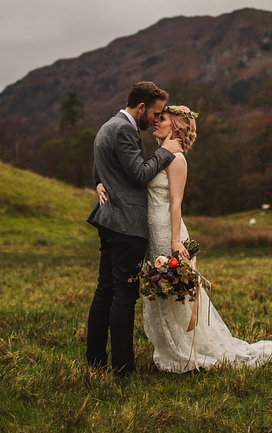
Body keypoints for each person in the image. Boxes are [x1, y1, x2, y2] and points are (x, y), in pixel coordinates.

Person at [98, 104, 272, 372]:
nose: (156, 122)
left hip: (169, 232)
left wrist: (177, 242)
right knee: (163, 293)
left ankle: (188, 349)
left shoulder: (177, 159)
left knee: (178, 294)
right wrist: (101, 183)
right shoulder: (161, 154)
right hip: (152, 230)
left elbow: (176, 204)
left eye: (163, 119)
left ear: (176, 127)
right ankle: (170, 349)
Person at [85, 81, 182, 378]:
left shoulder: (107, 126)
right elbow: (140, 175)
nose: (155, 120)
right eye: (154, 114)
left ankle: (96, 359)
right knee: (123, 296)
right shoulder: (125, 130)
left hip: (108, 220)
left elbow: (100, 171)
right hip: (126, 224)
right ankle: (123, 368)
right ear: (141, 108)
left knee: (105, 291)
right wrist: (165, 151)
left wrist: (99, 185)